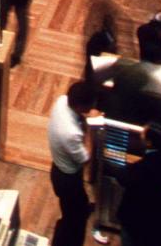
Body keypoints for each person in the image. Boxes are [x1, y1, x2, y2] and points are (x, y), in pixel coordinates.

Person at [47, 79, 96, 246]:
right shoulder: (71, 134)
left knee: (74, 206)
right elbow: (85, 159)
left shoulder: (62, 101)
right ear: (80, 106)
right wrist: (93, 133)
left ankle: (81, 209)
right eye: (91, 104)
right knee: (73, 222)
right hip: (67, 179)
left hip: (59, 170)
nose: (93, 106)